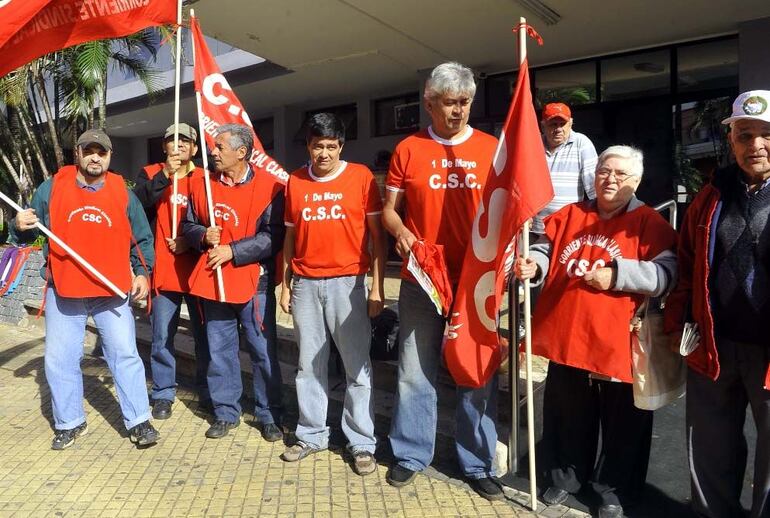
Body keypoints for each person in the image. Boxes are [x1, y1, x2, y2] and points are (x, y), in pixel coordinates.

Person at [514, 145, 678, 518]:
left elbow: (668, 273)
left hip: (620, 344)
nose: (610, 179)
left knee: (624, 426)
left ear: (635, 181)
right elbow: (546, 248)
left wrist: (618, 274)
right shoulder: (571, 214)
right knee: (568, 415)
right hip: (568, 337)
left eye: (621, 174)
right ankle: (566, 477)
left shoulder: (650, 223)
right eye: (605, 171)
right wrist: (534, 266)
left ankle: (614, 491)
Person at [382, 61, 503, 500]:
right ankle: (411, 453)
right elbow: (391, 209)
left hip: (477, 278)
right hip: (423, 278)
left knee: (475, 370)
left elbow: (510, 207)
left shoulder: (492, 148)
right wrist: (402, 233)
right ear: (430, 103)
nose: (458, 111)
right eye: (449, 103)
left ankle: (477, 461)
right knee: (416, 369)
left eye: (465, 102)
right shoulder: (408, 149)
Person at [13, 129, 159, 449]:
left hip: (112, 290)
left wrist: (142, 274)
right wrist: (19, 226)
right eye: (89, 151)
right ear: (77, 154)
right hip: (64, 289)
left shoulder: (123, 191)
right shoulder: (52, 188)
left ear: (109, 157)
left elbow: (142, 239)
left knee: (124, 355)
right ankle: (70, 422)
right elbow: (26, 229)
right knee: (60, 359)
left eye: (102, 152)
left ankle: (138, 421)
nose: (95, 157)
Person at [664, 90, 770, 518]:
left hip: (769, 353)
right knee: (710, 446)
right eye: (745, 135)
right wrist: (677, 323)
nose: (756, 145)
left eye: (766, 135)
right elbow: (688, 265)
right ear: (731, 141)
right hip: (714, 343)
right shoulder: (710, 196)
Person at [278, 113, 386, 476]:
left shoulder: (361, 178)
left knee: (357, 365)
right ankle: (311, 434)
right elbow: (289, 237)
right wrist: (285, 282)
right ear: (308, 146)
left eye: (331, 146)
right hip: (306, 284)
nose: (324, 153)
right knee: (308, 364)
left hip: (348, 283)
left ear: (341, 146)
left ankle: (361, 442)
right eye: (317, 146)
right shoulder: (294, 181)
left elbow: (377, 235)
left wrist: (377, 286)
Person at [181, 123, 285, 441]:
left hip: (255, 284)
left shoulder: (271, 188)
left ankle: (269, 415)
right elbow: (187, 225)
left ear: (241, 152)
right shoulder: (202, 186)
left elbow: (273, 237)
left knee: (261, 350)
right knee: (220, 349)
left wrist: (232, 250)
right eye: (213, 147)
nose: (212, 152)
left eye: (219, 147)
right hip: (214, 282)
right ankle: (226, 411)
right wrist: (201, 235)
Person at [133, 123, 210, 419]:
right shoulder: (151, 173)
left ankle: (206, 391)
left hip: (198, 272)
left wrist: (190, 241)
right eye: (171, 141)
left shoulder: (204, 178)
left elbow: (215, 220)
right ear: (163, 146)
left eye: (184, 142)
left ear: (194, 148)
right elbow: (138, 205)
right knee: (162, 336)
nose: (177, 147)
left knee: (205, 336)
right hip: (163, 271)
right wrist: (166, 174)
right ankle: (163, 392)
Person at [533, 102, 598, 235]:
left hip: (568, 230)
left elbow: (594, 188)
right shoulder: (533, 144)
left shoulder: (581, 143)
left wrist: (597, 223)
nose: (558, 129)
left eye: (562, 124)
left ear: (571, 123)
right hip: (535, 230)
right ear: (543, 125)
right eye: (553, 124)